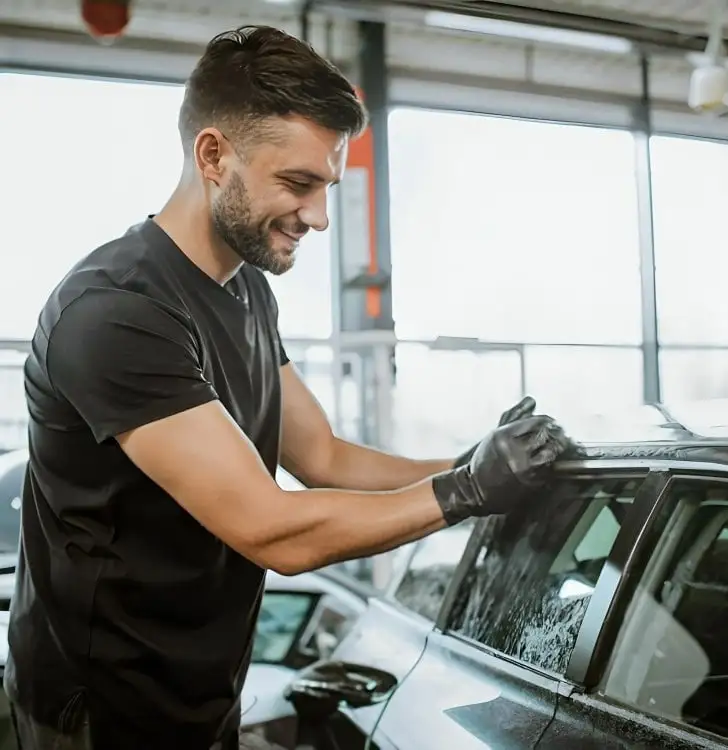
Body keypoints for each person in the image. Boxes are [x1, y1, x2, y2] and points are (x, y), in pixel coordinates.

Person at [4, 25, 575, 750]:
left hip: (203, 688)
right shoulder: (117, 311)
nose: (319, 216)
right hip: (101, 712)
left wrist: (475, 463)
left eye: (326, 185)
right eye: (298, 183)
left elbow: (324, 458)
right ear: (214, 155)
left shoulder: (244, 291)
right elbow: (270, 528)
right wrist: (467, 493)